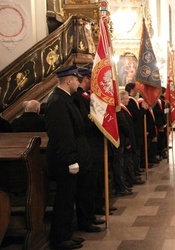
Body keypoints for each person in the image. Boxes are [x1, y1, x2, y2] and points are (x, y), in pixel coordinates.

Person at [45, 65, 91, 249]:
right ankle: (60, 238)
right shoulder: (57, 101)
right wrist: (71, 159)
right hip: (64, 161)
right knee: (64, 200)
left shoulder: (66, 99)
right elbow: (62, 135)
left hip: (72, 156)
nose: (78, 82)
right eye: (76, 79)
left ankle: (67, 233)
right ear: (69, 80)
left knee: (68, 198)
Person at [72, 65, 107, 228]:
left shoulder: (85, 97)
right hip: (88, 146)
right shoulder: (77, 98)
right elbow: (83, 122)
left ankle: (91, 213)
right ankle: (85, 219)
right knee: (86, 187)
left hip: (92, 146)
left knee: (92, 184)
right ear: (86, 79)